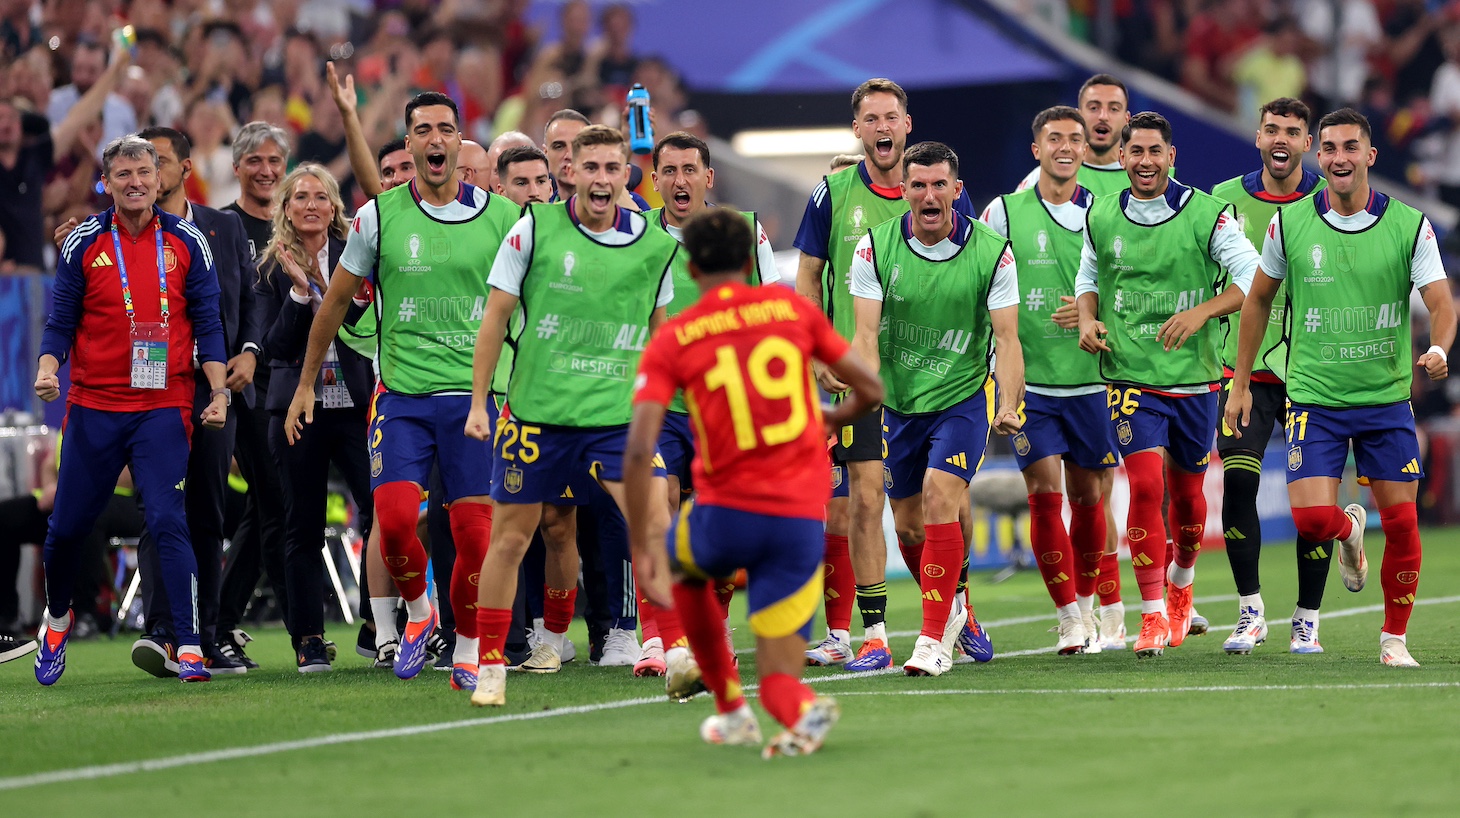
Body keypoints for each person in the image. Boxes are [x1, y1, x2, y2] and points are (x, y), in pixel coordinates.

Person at [624, 208, 883, 755]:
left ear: (690, 268)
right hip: (796, 518)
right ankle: (799, 710)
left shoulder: (675, 337)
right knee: (779, 677)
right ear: (748, 261)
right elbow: (870, 389)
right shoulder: (790, 310)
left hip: (725, 512)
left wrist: (643, 545)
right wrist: (832, 418)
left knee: (680, 565)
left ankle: (727, 703)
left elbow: (641, 445)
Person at [285, 92, 520, 691]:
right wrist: (306, 383)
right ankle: (419, 613)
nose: (435, 140)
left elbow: (527, 307)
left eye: (445, 129)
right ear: (409, 142)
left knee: (472, 536)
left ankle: (466, 647)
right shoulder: (377, 217)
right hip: (402, 399)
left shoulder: (501, 219)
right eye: (423, 130)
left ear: (459, 141)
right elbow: (335, 304)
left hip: (473, 403)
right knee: (391, 523)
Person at [1225, 108, 1456, 668]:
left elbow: (1442, 302)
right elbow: (1256, 299)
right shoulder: (1292, 224)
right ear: (1318, 155)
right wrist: (1239, 381)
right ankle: (1349, 529)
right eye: (1328, 148)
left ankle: (1393, 639)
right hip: (1315, 399)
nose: (1338, 158)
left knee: (1402, 521)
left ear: (1369, 156)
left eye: (1350, 147)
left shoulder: (1409, 224)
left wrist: (1440, 349)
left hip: (1384, 400)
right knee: (1310, 524)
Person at [464, 124, 683, 707]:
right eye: (591, 169)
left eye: (613, 168)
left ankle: (679, 651)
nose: (602, 179)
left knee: (655, 523)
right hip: (537, 416)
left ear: (624, 175)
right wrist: (481, 401)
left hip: (616, 420)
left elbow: (662, 338)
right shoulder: (532, 230)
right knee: (510, 538)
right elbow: (495, 317)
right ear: (572, 174)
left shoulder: (657, 247)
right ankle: (490, 666)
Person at [793, 77, 981, 672]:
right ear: (857, 129)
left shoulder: (946, 191)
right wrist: (819, 352)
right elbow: (808, 275)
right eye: (869, 118)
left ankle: (958, 603)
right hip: (858, 373)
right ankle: (870, 635)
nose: (881, 127)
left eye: (890, 117)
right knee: (859, 503)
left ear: (906, 124)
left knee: (945, 503)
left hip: (938, 378)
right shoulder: (833, 192)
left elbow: (973, 269)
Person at [33, 135, 228, 685]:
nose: (136, 182)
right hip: (94, 405)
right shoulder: (83, 244)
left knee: (169, 519)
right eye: (124, 174)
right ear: (106, 182)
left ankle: (188, 645)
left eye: (145, 171)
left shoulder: (189, 241)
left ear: (160, 176)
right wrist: (49, 368)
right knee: (67, 529)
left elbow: (209, 324)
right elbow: (59, 321)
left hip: (162, 405)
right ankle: (55, 619)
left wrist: (218, 392)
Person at [1075, 112, 1261, 657]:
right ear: (1123, 157)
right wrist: (1088, 320)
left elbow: (1253, 281)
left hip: (1196, 379)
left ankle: (1181, 582)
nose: (1145, 161)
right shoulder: (1101, 215)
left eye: (1155, 151)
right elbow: (1088, 278)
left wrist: (1204, 311)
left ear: (1171, 156)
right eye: (1136, 152)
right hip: (1130, 376)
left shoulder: (1208, 215)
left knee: (1186, 498)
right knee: (1147, 488)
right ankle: (1152, 614)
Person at [850, 141, 1024, 675]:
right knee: (906, 528)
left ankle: (931, 642)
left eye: (939, 184)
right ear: (904, 191)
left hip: (962, 399)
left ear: (956, 189)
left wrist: (1010, 403)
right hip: (899, 405)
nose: (929, 194)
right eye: (918, 185)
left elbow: (1009, 340)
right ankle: (955, 609)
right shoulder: (874, 248)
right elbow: (864, 335)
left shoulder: (993, 251)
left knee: (937, 495)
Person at [627, 130, 782, 675]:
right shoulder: (636, 233)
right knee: (657, 506)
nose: (679, 180)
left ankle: (708, 631)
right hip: (663, 405)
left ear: (708, 177)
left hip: (725, 406)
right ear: (655, 180)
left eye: (690, 169)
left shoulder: (744, 231)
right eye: (668, 171)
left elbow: (770, 311)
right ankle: (657, 638)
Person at [124, 127, 261, 678]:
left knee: (206, 506)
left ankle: (202, 635)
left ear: (183, 168)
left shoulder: (222, 227)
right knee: (158, 507)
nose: (146, 173)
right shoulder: (120, 233)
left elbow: (250, 296)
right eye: (136, 164)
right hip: (151, 380)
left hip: (211, 384)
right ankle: (161, 631)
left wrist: (249, 351)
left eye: (155, 162)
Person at [982, 107, 1115, 654]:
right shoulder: (1003, 213)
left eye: (1074, 139)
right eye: (1054, 138)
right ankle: (1067, 618)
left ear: (1086, 150)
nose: (1065, 146)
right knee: (1043, 494)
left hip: (1094, 381)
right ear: (1036, 150)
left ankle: (1090, 605)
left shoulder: (1107, 213)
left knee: (1088, 498)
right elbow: (980, 282)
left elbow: (1130, 289)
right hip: (1030, 384)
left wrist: (1092, 311)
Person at [1208, 98, 1328, 655]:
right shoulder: (1222, 202)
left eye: (1293, 132)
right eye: (1272, 129)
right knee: (1238, 483)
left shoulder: (1329, 204)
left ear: (1308, 144)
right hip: (1244, 370)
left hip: (1312, 373)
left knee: (1312, 507)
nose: (1281, 139)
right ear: (1257, 137)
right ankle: (1249, 610)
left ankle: (1307, 617)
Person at [257, 164, 375, 672]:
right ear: (285, 208)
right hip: (294, 410)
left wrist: (322, 284)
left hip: (354, 406)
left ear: (334, 209)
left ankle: (379, 624)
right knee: (300, 524)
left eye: (320, 197)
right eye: (299, 196)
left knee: (381, 512)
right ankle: (308, 638)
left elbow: (362, 322)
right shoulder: (266, 269)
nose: (310, 204)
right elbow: (272, 347)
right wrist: (298, 293)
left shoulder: (362, 256)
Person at [215, 122, 295, 669]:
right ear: (238, 167)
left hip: (291, 381)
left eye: (274, 161)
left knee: (270, 507)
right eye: (255, 161)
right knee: (274, 503)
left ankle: (220, 623)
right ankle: (224, 625)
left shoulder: (299, 222)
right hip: (243, 384)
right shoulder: (221, 227)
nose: (266, 170)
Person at [1016, 75, 1135, 197]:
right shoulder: (1042, 179)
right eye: (1094, 108)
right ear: (1080, 117)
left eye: (1114, 109)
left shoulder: (1140, 182)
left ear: (1126, 119)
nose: (1103, 116)